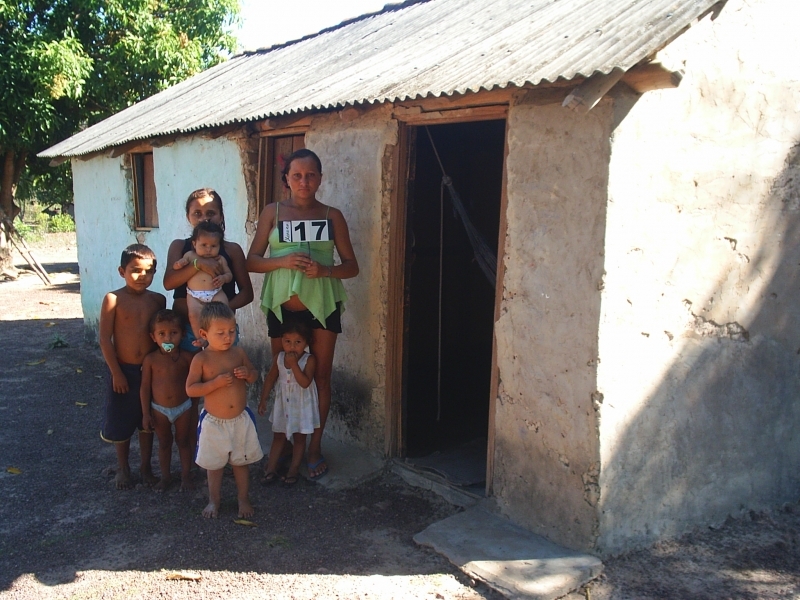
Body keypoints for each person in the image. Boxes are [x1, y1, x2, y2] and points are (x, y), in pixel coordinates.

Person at [246, 148, 359, 480]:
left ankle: (313, 448)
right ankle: (287, 444)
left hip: (322, 308)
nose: (304, 181)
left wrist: (325, 270)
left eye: (311, 175)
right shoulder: (273, 212)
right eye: (297, 175)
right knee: (287, 376)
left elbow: (352, 267)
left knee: (320, 379)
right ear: (286, 180)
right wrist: (282, 261)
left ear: (320, 179)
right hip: (282, 307)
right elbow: (252, 261)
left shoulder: (332, 215)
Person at [163, 187, 254, 457]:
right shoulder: (181, 248)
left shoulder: (232, 250)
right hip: (186, 332)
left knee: (226, 386)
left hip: (222, 335)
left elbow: (247, 294)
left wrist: (218, 314)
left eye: (211, 212)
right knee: (187, 392)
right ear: (189, 217)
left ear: (222, 215)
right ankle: (193, 452)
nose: (205, 217)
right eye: (197, 212)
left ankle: (230, 452)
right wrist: (198, 265)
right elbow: (169, 283)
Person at [186, 302, 262, 518]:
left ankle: (243, 499)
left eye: (231, 331)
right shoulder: (201, 359)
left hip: (240, 420)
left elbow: (254, 374)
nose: (227, 337)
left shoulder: (238, 353)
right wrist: (215, 384)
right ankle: (214, 500)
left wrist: (248, 373)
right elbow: (191, 389)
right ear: (204, 333)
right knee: (214, 465)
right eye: (220, 333)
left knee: (241, 461)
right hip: (214, 423)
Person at [98, 244, 165, 490]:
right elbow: (105, 339)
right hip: (123, 371)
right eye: (135, 270)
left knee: (147, 420)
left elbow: (162, 335)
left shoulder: (158, 299)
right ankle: (123, 467)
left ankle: (146, 467)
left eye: (148, 272)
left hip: (149, 371)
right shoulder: (113, 299)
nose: (142, 276)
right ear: (121, 271)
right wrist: (116, 372)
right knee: (121, 419)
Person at [258, 321, 319, 485]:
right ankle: (271, 468)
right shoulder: (279, 358)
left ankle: (294, 469)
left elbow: (305, 383)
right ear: (282, 341)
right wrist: (263, 399)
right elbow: (271, 378)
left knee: (300, 438)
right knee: (278, 435)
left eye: (298, 342)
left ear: (306, 343)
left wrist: (294, 366)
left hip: (301, 405)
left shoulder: (309, 360)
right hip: (283, 404)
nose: (292, 347)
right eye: (287, 342)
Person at [140, 309, 194, 492]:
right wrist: (146, 413)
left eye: (174, 333)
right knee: (164, 443)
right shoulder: (151, 360)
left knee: (184, 441)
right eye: (161, 334)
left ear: (183, 334)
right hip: (159, 409)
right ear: (153, 337)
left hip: (184, 407)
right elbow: (145, 387)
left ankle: (186, 476)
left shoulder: (187, 358)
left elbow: (196, 381)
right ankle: (165, 477)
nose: (168, 338)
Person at [172, 221, 232, 346]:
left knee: (223, 312)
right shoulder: (189, 255)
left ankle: (222, 335)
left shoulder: (220, 259)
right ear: (194, 244)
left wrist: (223, 278)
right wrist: (180, 264)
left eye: (213, 246)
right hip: (194, 295)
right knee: (193, 315)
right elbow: (176, 267)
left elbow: (229, 275)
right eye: (204, 245)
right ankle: (201, 338)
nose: (208, 249)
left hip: (215, 293)